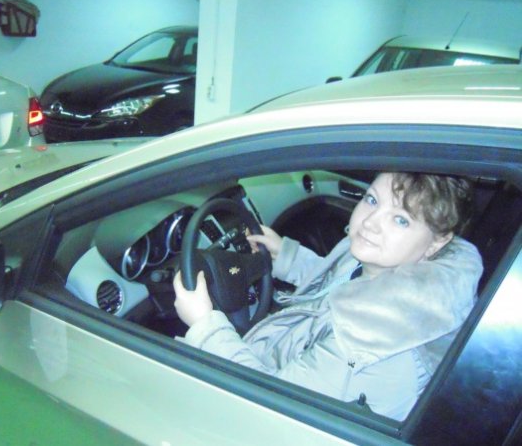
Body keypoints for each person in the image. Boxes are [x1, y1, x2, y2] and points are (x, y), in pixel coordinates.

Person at [173, 172, 483, 420]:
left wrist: (205, 326)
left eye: (401, 219)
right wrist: (286, 256)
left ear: (437, 243)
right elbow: (337, 288)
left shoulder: (367, 346)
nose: (370, 223)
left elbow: (267, 408)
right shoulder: (383, 266)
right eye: (372, 200)